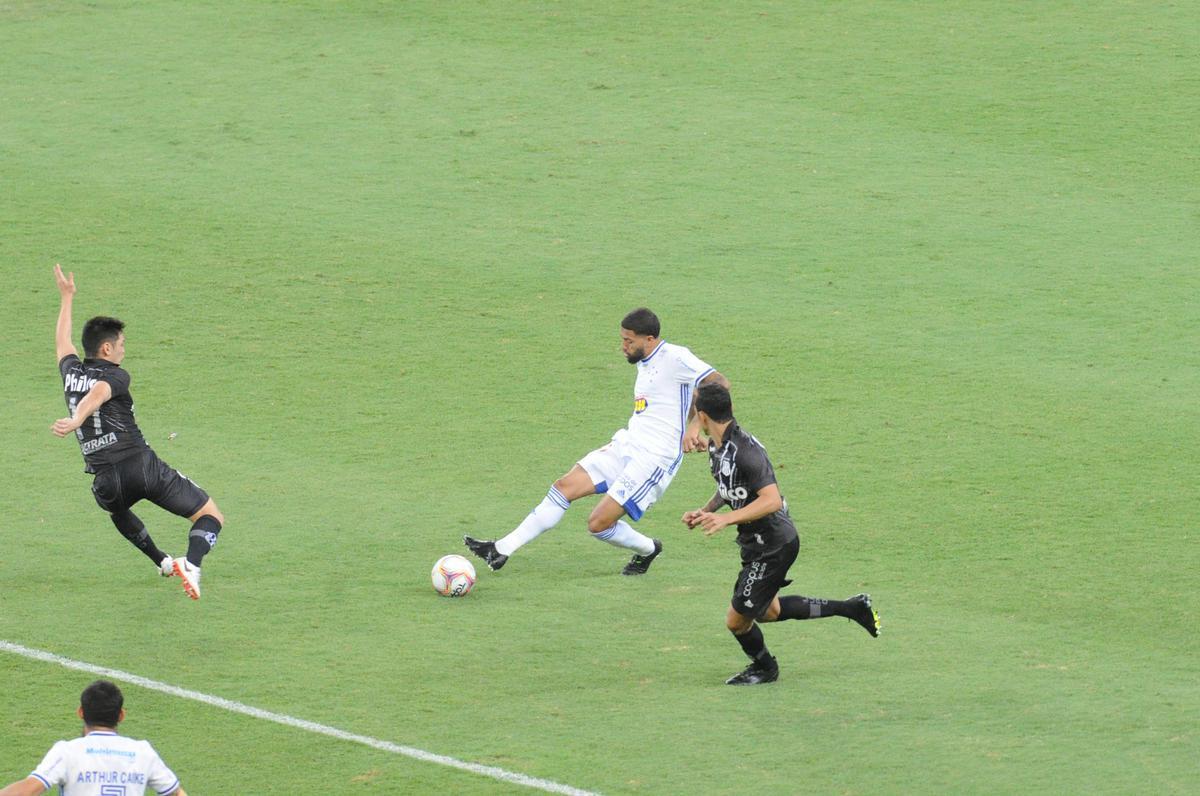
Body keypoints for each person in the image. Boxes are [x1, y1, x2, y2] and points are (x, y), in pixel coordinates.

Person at [465, 307, 728, 575]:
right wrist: (690, 421)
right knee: (564, 486)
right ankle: (500, 550)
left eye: (629, 341)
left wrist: (695, 426)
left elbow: (719, 383)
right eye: (622, 339)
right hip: (628, 443)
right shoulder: (646, 361)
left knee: (597, 524)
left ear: (650, 339)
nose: (623, 347)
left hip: (653, 459)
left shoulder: (675, 356)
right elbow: (691, 390)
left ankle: (649, 549)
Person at [682, 382, 880, 685]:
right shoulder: (718, 447)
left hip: (774, 544)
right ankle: (852, 608)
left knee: (737, 620)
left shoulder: (746, 451)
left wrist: (726, 520)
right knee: (769, 611)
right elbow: (730, 488)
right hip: (756, 542)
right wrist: (706, 510)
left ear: (704, 417)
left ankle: (766, 668)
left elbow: (771, 500)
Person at [49, 265, 223, 600]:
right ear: (106, 350)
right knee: (210, 515)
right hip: (140, 466)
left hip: (105, 481)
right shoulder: (117, 376)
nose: (124, 349)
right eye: (121, 344)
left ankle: (163, 562)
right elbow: (99, 392)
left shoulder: (70, 372)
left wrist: (66, 297)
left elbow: (62, 343)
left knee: (117, 508)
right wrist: (76, 418)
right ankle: (193, 564)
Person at [0, 679, 187, 796]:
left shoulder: (68, 752)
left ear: (81, 712)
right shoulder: (143, 752)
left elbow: (27, 790)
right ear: (121, 715)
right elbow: (175, 793)